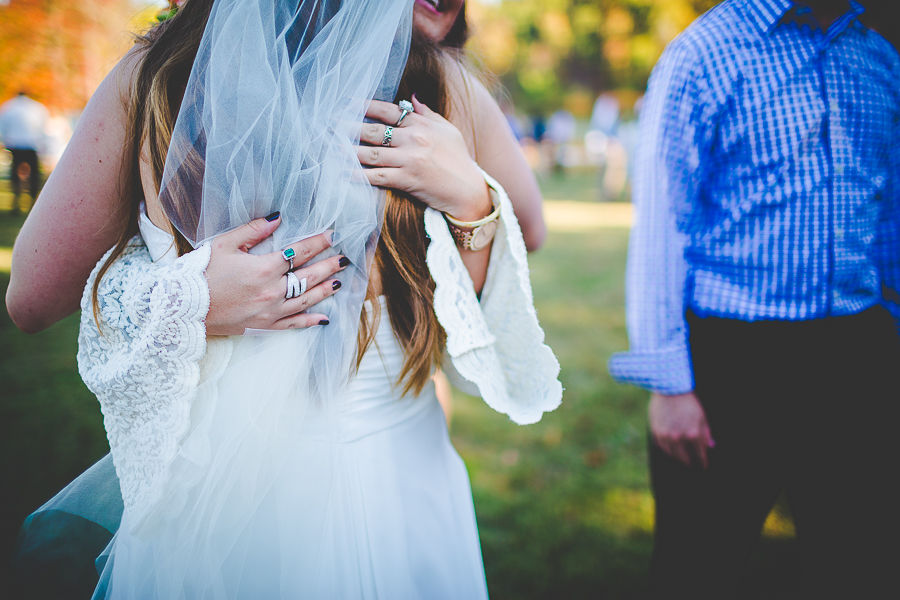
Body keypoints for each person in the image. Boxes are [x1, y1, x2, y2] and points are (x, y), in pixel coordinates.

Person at [7, 0, 561, 598]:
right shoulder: (163, 79)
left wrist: (473, 200)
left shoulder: (430, 82)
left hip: (391, 462)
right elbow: (34, 297)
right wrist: (186, 299)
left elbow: (30, 294)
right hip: (242, 497)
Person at [608, 1, 899, 598]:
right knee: (697, 567)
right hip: (734, 361)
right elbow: (663, 223)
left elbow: (888, 213)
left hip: (858, 349)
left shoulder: (877, 55)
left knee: (861, 562)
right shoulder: (704, 54)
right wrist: (671, 386)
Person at [0, 91, 48, 213]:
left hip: (15, 144)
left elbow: (3, 126)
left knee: (15, 172)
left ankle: (16, 199)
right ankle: (33, 200)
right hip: (32, 144)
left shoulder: (8, 107)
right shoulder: (37, 107)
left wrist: (5, 140)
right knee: (34, 174)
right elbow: (43, 126)